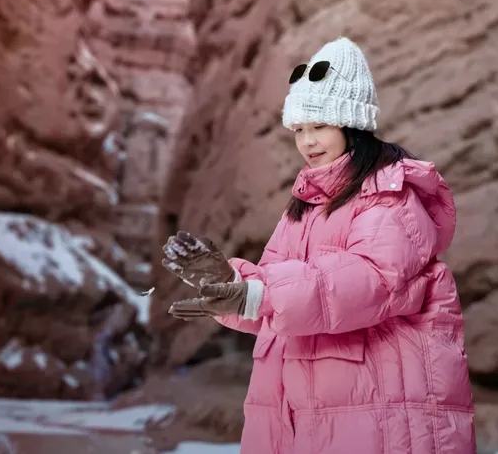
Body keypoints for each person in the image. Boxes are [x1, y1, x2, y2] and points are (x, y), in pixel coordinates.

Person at [163, 37, 475, 454]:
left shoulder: (390, 196)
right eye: (299, 130)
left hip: (374, 413)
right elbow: (279, 302)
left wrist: (262, 292)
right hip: (302, 412)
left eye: (320, 126)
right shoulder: (304, 209)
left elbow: (373, 278)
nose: (308, 142)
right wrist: (233, 285)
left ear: (352, 125)